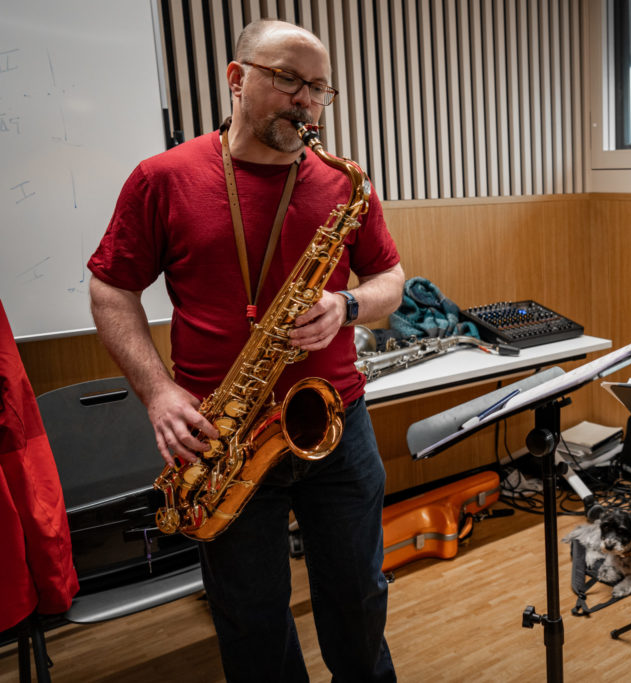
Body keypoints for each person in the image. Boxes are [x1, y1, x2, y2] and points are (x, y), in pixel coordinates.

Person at [87, 19, 403, 682]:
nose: (305, 101)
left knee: (358, 601)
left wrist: (347, 305)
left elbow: (390, 281)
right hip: (222, 438)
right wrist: (159, 392)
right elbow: (111, 287)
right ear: (236, 78)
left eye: (318, 88)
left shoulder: (343, 184)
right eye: (288, 78)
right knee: (252, 620)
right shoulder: (162, 178)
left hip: (337, 429)